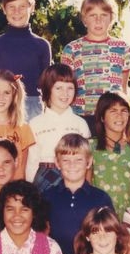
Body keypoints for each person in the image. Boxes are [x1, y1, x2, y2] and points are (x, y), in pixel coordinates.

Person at [60, 0, 130, 129]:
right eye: (93, 15)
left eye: (103, 15)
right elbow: (65, 88)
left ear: (112, 18)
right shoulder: (71, 49)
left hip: (112, 118)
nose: (98, 20)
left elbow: (123, 89)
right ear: (84, 19)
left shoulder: (124, 48)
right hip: (81, 117)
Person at [43, 134, 114, 254]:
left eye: (78, 160)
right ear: (57, 162)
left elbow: (111, 235)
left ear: (89, 162)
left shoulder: (101, 198)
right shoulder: (47, 196)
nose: (72, 165)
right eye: (66, 160)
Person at [0, 0, 51, 121]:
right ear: (4, 9)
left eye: (22, 6)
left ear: (32, 7)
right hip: (1, 106)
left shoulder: (42, 45)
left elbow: (47, 86)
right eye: (11, 7)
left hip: (33, 107)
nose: (17, 12)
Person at [27, 63, 91, 191]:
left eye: (70, 88)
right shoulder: (35, 124)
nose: (65, 93)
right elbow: (31, 161)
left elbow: (87, 161)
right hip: (44, 177)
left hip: (73, 175)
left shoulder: (80, 124)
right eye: (58, 88)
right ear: (47, 89)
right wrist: (29, 189)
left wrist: (87, 188)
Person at [89, 91, 130, 218]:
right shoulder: (90, 147)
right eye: (113, 111)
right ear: (102, 117)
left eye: (124, 111)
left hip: (127, 218)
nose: (119, 116)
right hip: (100, 218)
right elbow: (87, 184)